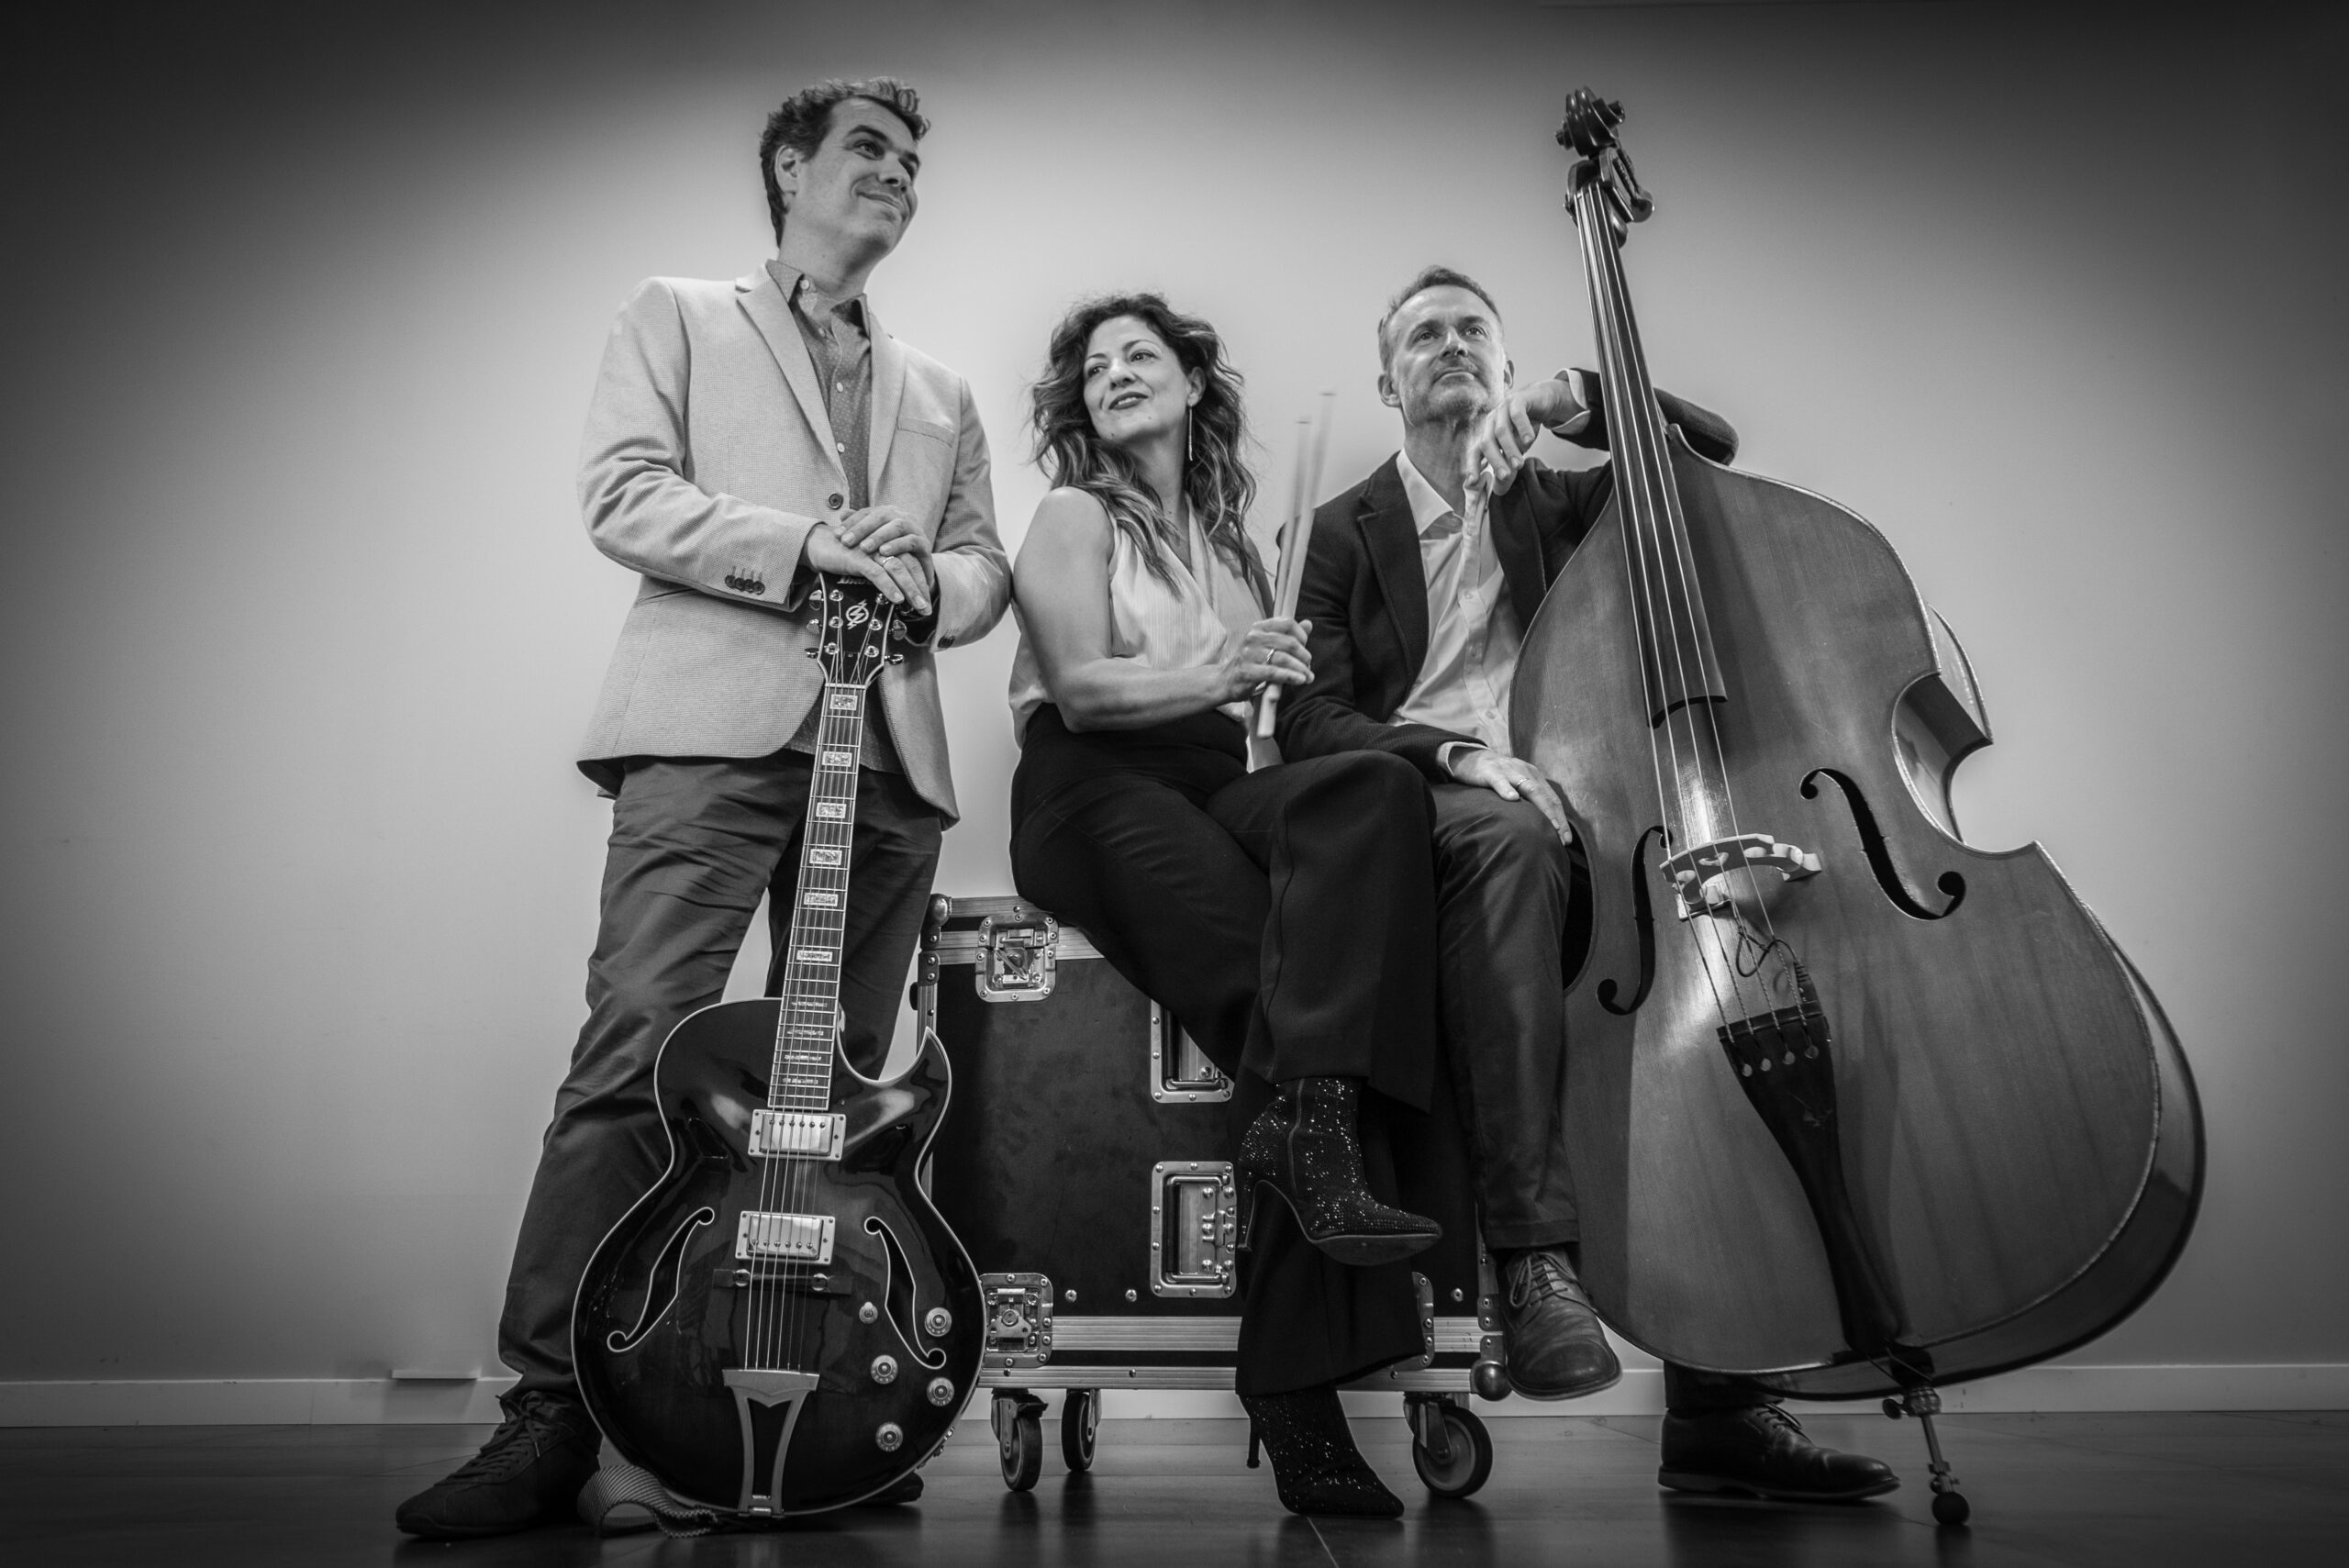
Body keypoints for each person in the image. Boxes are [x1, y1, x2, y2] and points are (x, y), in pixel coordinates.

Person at [395, 77, 1010, 1539]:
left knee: (839, 1107)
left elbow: (982, 563)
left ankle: (818, 1420)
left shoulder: (943, 392)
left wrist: (922, 578)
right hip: (709, 738)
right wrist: (811, 548)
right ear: (788, 168)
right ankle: (553, 1413)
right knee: (634, 1055)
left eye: (912, 163)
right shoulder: (676, 314)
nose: (898, 175)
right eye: (868, 148)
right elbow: (623, 494)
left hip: (889, 767)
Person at [1276, 264, 1897, 1502]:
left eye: (1475, 331)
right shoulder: (1342, 529)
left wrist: (1582, 394)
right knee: (1507, 838)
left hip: (1602, 821)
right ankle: (1535, 1260)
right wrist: (1458, 756)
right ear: (1389, 381)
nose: (1452, 346)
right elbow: (1309, 716)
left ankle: (1725, 1405)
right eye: (1424, 336)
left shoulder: (1556, 498)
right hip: (1440, 810)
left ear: (1506, 368)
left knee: (1722, 992)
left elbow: (1705, 457)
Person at [1006, 292, 1452, 1518]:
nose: (1114, 373)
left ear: (1194, 381)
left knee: (1372, 793)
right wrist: (1222, 666)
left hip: (1208, 782)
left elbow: (1258, 727)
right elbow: (1084, 690)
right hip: (1091, 788)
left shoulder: (1240, 548)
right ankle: (1297, 1396)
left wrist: (1288, 684)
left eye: (1141, 354)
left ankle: (1312, 1122)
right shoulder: (1075, 513)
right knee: (1282, 994)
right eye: (1095, 366)